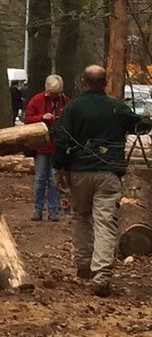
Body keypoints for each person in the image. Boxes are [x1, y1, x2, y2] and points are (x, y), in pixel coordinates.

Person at [53, 64, 151, 296]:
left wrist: (58, 168)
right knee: (105, 221)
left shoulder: (72, 108)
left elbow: (61, 138)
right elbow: (142, 126)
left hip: (78, 172)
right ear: (105, 83)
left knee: (80, 217)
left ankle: (84, 263)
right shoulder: (116, 108)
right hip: (108, 173)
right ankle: (102, 273)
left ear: (83, 83)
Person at [22, 74, 69, 221]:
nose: (54, 96)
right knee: (40, 178)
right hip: (41, 146)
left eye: (57, 94)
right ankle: (38, 209)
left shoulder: (65, 102)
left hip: (57, 146)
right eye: (52, 93)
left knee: (53, 180)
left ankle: (53, 210)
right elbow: (27, 119)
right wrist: (41, 117)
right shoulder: (37, 100)